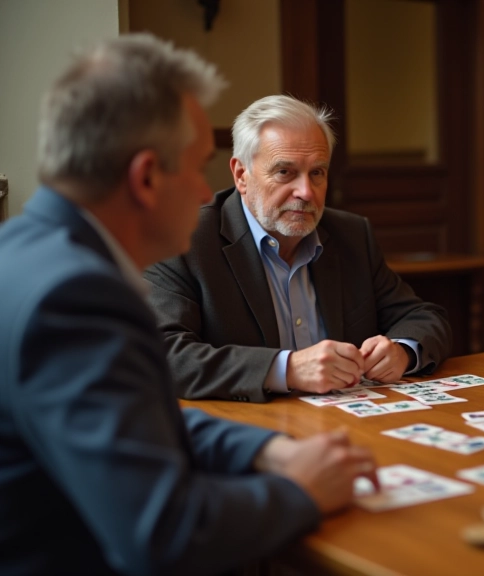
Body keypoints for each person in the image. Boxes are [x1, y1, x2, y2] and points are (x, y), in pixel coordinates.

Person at [0, 34, 379, 575]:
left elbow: (143, 414)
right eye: (198, 166)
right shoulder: (76, 298)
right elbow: (163, 533)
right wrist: (301, 489)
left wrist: (265, 451)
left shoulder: (25, 250)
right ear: (146, 177)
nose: (208, 196)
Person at [144, 95, 452, 402]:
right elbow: (162, 354)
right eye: (284, 172)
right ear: (241, 175)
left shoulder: (351, 234)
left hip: (348, 427)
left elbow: (423, 317)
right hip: (250, 432)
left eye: (317, 173)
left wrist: (402, 351)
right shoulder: (183, 239)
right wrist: (286, 369)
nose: (306, 192)